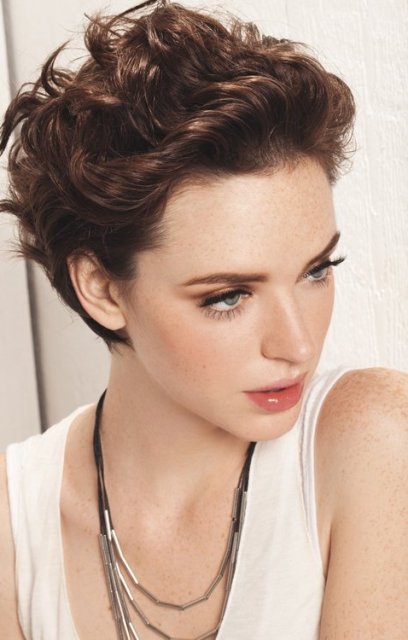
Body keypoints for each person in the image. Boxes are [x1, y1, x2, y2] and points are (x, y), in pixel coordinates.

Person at [0, 1, 407, 638]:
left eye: (316, 270)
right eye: (227, 296)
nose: (297, 344)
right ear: (102, 289)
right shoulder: (15, 528)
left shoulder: (372, 441)